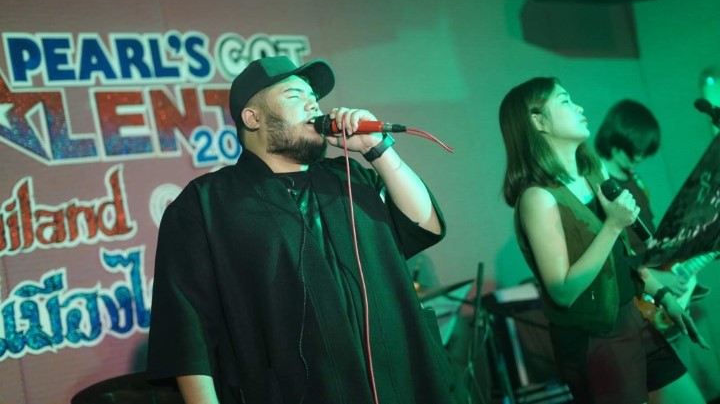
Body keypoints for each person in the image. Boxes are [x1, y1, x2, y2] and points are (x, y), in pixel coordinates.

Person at [146, 56, 456, 404]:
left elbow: (425, 224)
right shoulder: (206, 204)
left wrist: (378, 148)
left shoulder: (351, 178)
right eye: (295, 95)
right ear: (253, 118)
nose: (313, 105)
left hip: (404, 387)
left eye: (314, 97)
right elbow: (187, 330)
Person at [498, 77, 708, 404]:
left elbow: (624, 256)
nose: (579, 107)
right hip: (595, 340)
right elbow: (562, 291)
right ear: (538, 121)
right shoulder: (537, 198)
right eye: (565, 101)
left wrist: (662, 293)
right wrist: (611, 225)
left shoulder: (595, 173)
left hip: (635, 320)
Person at [595, 99, 710, 302]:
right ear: (617, 138)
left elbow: (648, 235)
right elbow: (604, 252)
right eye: (636, 149)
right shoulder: (598, 183)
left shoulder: (636, 179)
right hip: (634, 288)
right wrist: (656, 277)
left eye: (644, 152)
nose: (640, 157)